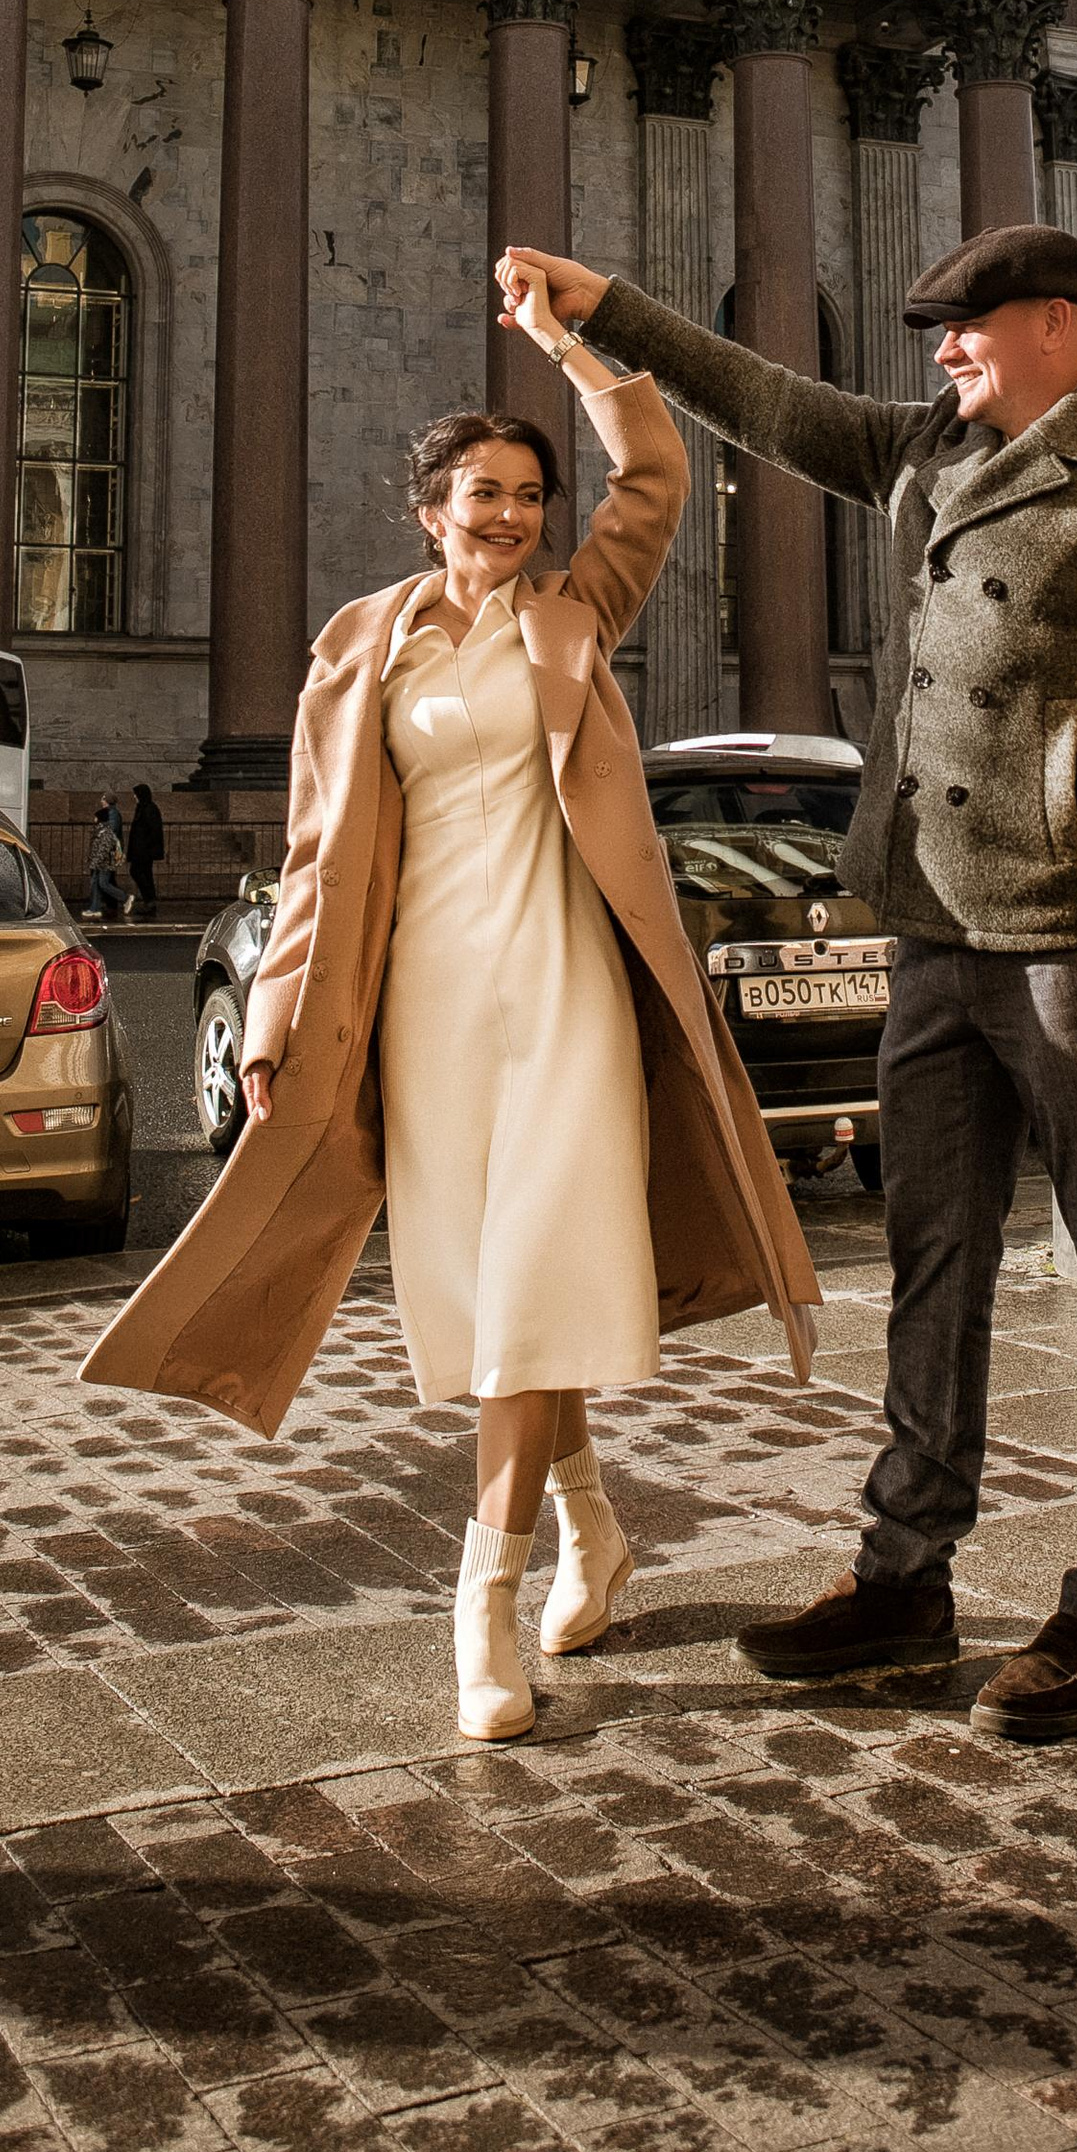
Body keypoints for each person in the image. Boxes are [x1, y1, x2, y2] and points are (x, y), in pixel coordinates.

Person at [496, 224, 1077, 1747]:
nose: (943, 353)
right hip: (930, 926)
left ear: (1064, 325)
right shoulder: (929, 449)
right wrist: (616, 312)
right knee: (934, 1264)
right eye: (936, 334)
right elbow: (777, 407)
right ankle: (904, 1573)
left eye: (970, 329)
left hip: (1072, 933)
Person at [80, 273, 820, 1744]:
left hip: (564, 991)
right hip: (422, 999)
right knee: (492, 1305)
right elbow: (312, 847)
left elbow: (658, 470)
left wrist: (567, 348)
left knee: (533, 1289)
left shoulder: (576, 613)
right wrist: (280, 1008)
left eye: (530, 495)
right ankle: (597, 1530)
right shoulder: (363, 647)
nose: (509, 517)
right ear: (430, 509)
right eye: (482, 493)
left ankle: (483, 1599)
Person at [84, 794, 128, 921]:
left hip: (105, 859)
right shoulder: (104, 825)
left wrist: (95, 860)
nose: (101, 801)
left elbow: (106, 843)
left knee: (102, 883)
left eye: (103, 799)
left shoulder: (110, 819)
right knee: (96, 882)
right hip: (102, 859)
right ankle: (94, 907)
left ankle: (124, 897)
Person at [125, 784, 166, 917]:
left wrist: (146, 847)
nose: (134, 797)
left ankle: (149, 900)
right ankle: (149, 901)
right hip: (141, 849)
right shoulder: (143, 808)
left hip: (144, 850)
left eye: (136, 794)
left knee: (137, 872)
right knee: (145, 874)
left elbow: (152, 831)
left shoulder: (148, 809)